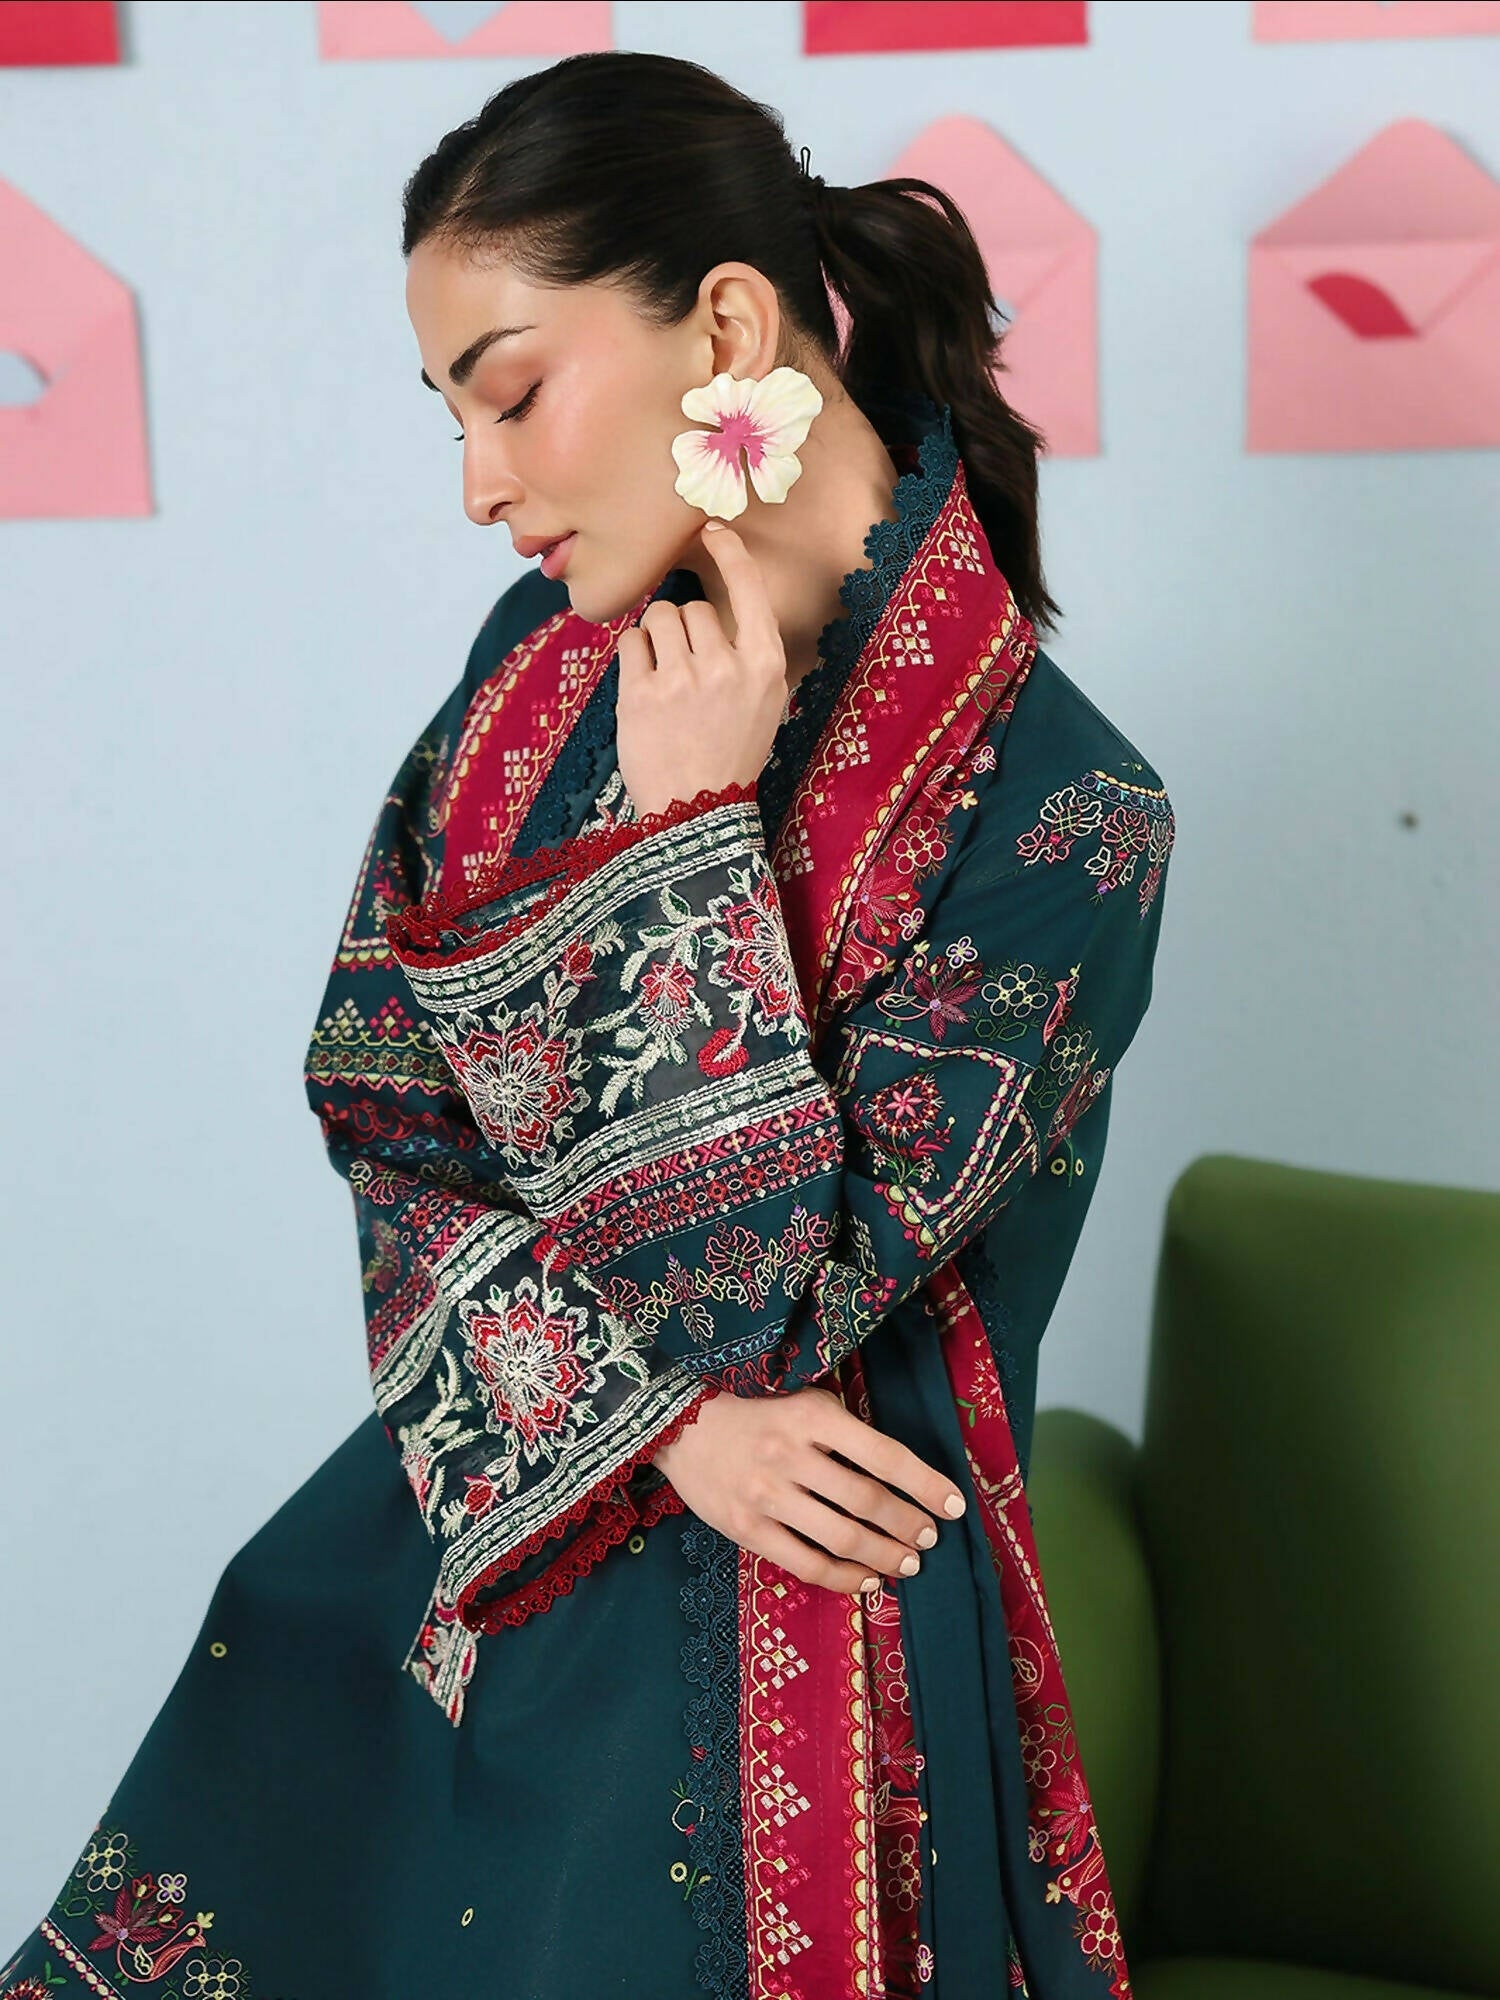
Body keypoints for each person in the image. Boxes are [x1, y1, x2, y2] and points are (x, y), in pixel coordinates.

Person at [2, 49, 1175, 2000]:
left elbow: (782, 1305)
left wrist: (688, 840)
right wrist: (667, 1427)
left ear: (726, 326)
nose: (480, 484)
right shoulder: (536, 680)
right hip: (488, 1535)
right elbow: (382, 1090)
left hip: (820, 1624)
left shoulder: (1073, 816)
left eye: (514, 391)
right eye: (455, 416)